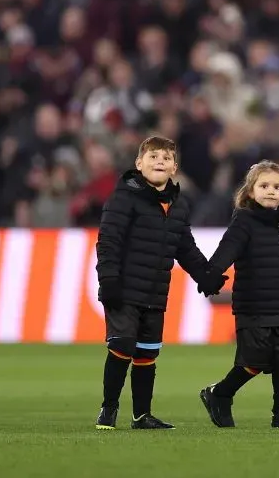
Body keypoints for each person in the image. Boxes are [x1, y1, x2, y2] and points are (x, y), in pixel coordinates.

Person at [94, 136, 227, 430]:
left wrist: (206, 276)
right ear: (139, 163)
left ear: (175, 167)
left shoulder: (178, 205)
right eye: (153, 157)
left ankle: (142, 415)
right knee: (123, 343)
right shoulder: (123, 197)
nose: (159, 162)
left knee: (147, 351)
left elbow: (185, 248)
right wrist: (109, 280)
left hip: (155, 291)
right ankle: (108, 409)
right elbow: (108, 243)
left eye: (166, 158)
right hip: (124, 289)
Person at [198, 160, 279, 428]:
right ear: (250, 191)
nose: (271, 191)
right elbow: (226, 250)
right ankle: (220, 393)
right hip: (253, 306)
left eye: (277, 187)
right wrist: (211, 273)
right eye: (264, 185)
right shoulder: (244, 222)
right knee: (254, 360)